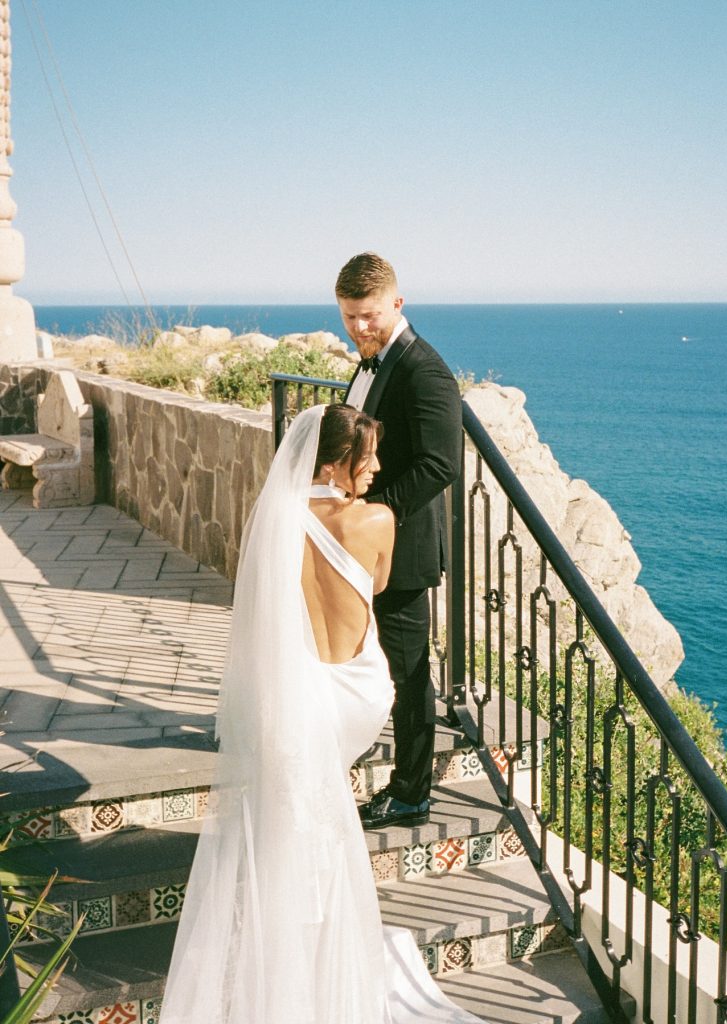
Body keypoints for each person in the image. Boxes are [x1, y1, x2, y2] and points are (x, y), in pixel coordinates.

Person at [160, 403, 483, 1023]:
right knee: (320, 812)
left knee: (290, 813)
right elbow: (380, 585)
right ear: (339, 462)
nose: (379, 467)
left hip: (292, 691)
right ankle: (317, 954)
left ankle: (288, 949)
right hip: (355, 693)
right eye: (370, 457)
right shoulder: (379, 520)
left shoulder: (276, 516)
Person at [338, 253, 463, 831]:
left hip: (403, 550)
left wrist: (371, 512)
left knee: (411, 674)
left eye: (368, 316)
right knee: (372, 658)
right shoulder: (371, 362)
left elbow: (441, 465)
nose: (360, 328)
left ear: (397, 303)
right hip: (366, 544)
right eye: (349, 317)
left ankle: (412, 792)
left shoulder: (425, 371)